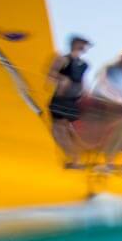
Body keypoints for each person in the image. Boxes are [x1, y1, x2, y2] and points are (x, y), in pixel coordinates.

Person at [46, 35, 92, 168]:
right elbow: (50, 76)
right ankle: (75, 158)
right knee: (63, 129)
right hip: (64, 99)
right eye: (82, 44)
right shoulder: (63, 59)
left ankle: (75, 158)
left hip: (70, 101)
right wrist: (62, 79)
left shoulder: (83, 64)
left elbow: (82, 82)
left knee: (60, 129)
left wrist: (85, 94)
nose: (84, 47)